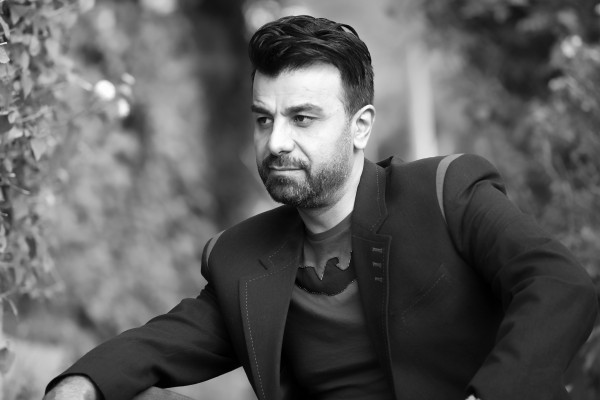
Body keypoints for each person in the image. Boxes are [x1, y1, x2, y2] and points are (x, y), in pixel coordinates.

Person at [45, 15, 598, 400]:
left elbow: (558, 284)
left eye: (302, 118)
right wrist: (77, 385)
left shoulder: (444, 192)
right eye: (264, 119)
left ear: (361, 127)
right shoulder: (241, 258)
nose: (276, 141)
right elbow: (154, 347)